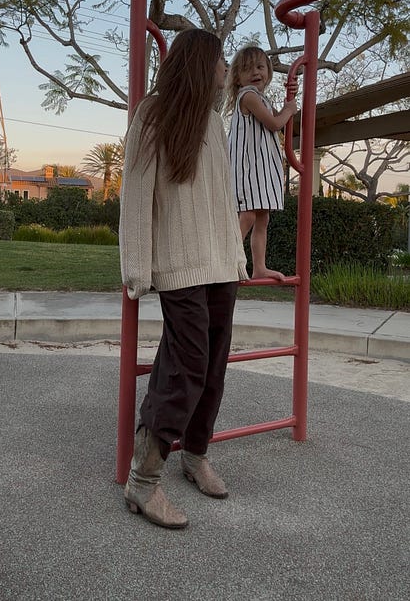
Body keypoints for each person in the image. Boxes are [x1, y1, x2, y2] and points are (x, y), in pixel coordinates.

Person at [119, 28, 248, 529]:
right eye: (220, 60)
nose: (225, 69)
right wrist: (137, 268)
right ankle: (143, 479)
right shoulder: (152, 114)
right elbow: (136, 195)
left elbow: (222, 199)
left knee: (213, 367)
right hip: (179, 266)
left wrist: (236, 257)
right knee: (186, 365)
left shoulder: (214, 122)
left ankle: (195, 453)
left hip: (220, 265)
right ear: (200, 63)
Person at [226, 45, 298, 281]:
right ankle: (226, 262)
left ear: (268, 71)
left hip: (261, 169)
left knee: (262, 218)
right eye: (248, 69)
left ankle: (259, 267)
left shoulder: (262, 99)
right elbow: (275, 124)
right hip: (248, 168)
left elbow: (276, 118)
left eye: (260, 67)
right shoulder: (248, 96)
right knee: (247, 215)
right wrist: (289, 110)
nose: (255, 72)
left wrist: (290, 98)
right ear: (238, 77)